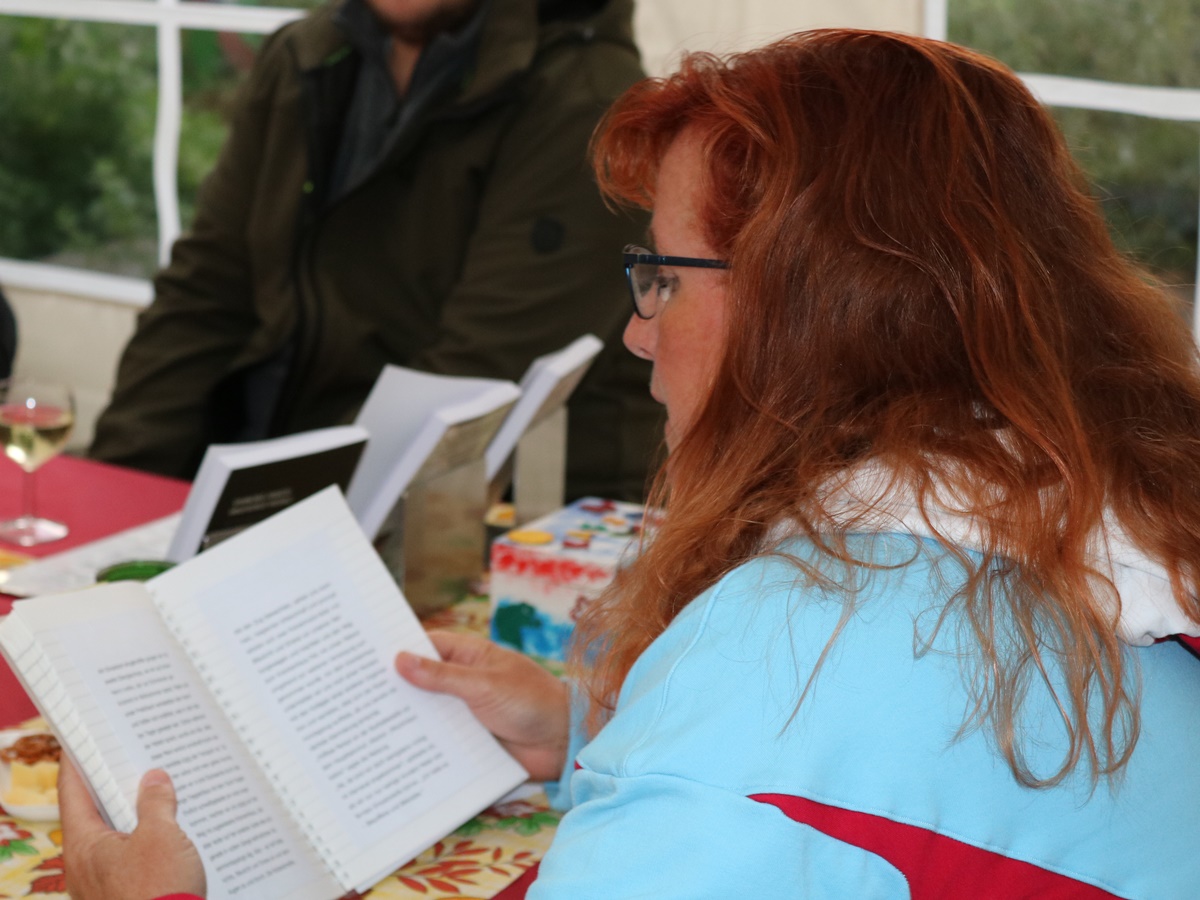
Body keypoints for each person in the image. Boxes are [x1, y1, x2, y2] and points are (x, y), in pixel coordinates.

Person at [61, 29, 1200, 898]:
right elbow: (906, 794)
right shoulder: (1099, 514)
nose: (636, 331)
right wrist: (589, 734)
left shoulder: (776, 675)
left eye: (661, 278)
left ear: (808, 313)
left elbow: (771, 773)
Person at [88, 0, 659, 502]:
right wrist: (113, 485)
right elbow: (202, 296)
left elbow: (470, 386)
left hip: (490, 526)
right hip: (273, 478)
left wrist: (257, 516)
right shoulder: (304, 56)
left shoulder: (586, 99)